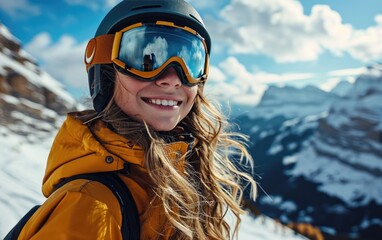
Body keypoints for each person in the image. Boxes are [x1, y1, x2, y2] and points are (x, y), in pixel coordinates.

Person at [18, 0, 257, 239]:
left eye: (190, 61)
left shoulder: (184, 175)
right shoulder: (89, 206)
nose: (173, 78)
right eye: (147, 59)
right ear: (107, 71)